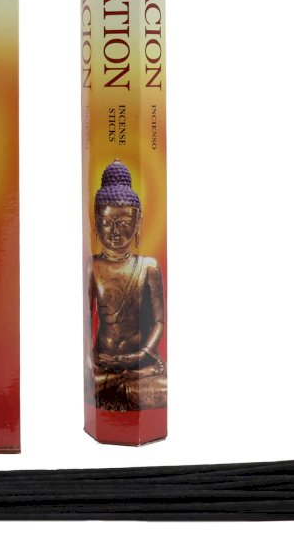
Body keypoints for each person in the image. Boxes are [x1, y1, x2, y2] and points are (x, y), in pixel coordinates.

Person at [87, 160, 166, 410]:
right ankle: (117, 385)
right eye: (107, 222)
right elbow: (84, 317)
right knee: (88, 383)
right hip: (104, 362)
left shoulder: (148, 267)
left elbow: (159, 321)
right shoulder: (93, 266)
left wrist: (142, 354)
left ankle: (121, 385)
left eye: (123, 223)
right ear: (96, 220)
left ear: (137, 221)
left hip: (139, 362)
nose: (115, 232)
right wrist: (88, 359)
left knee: (164, 389)